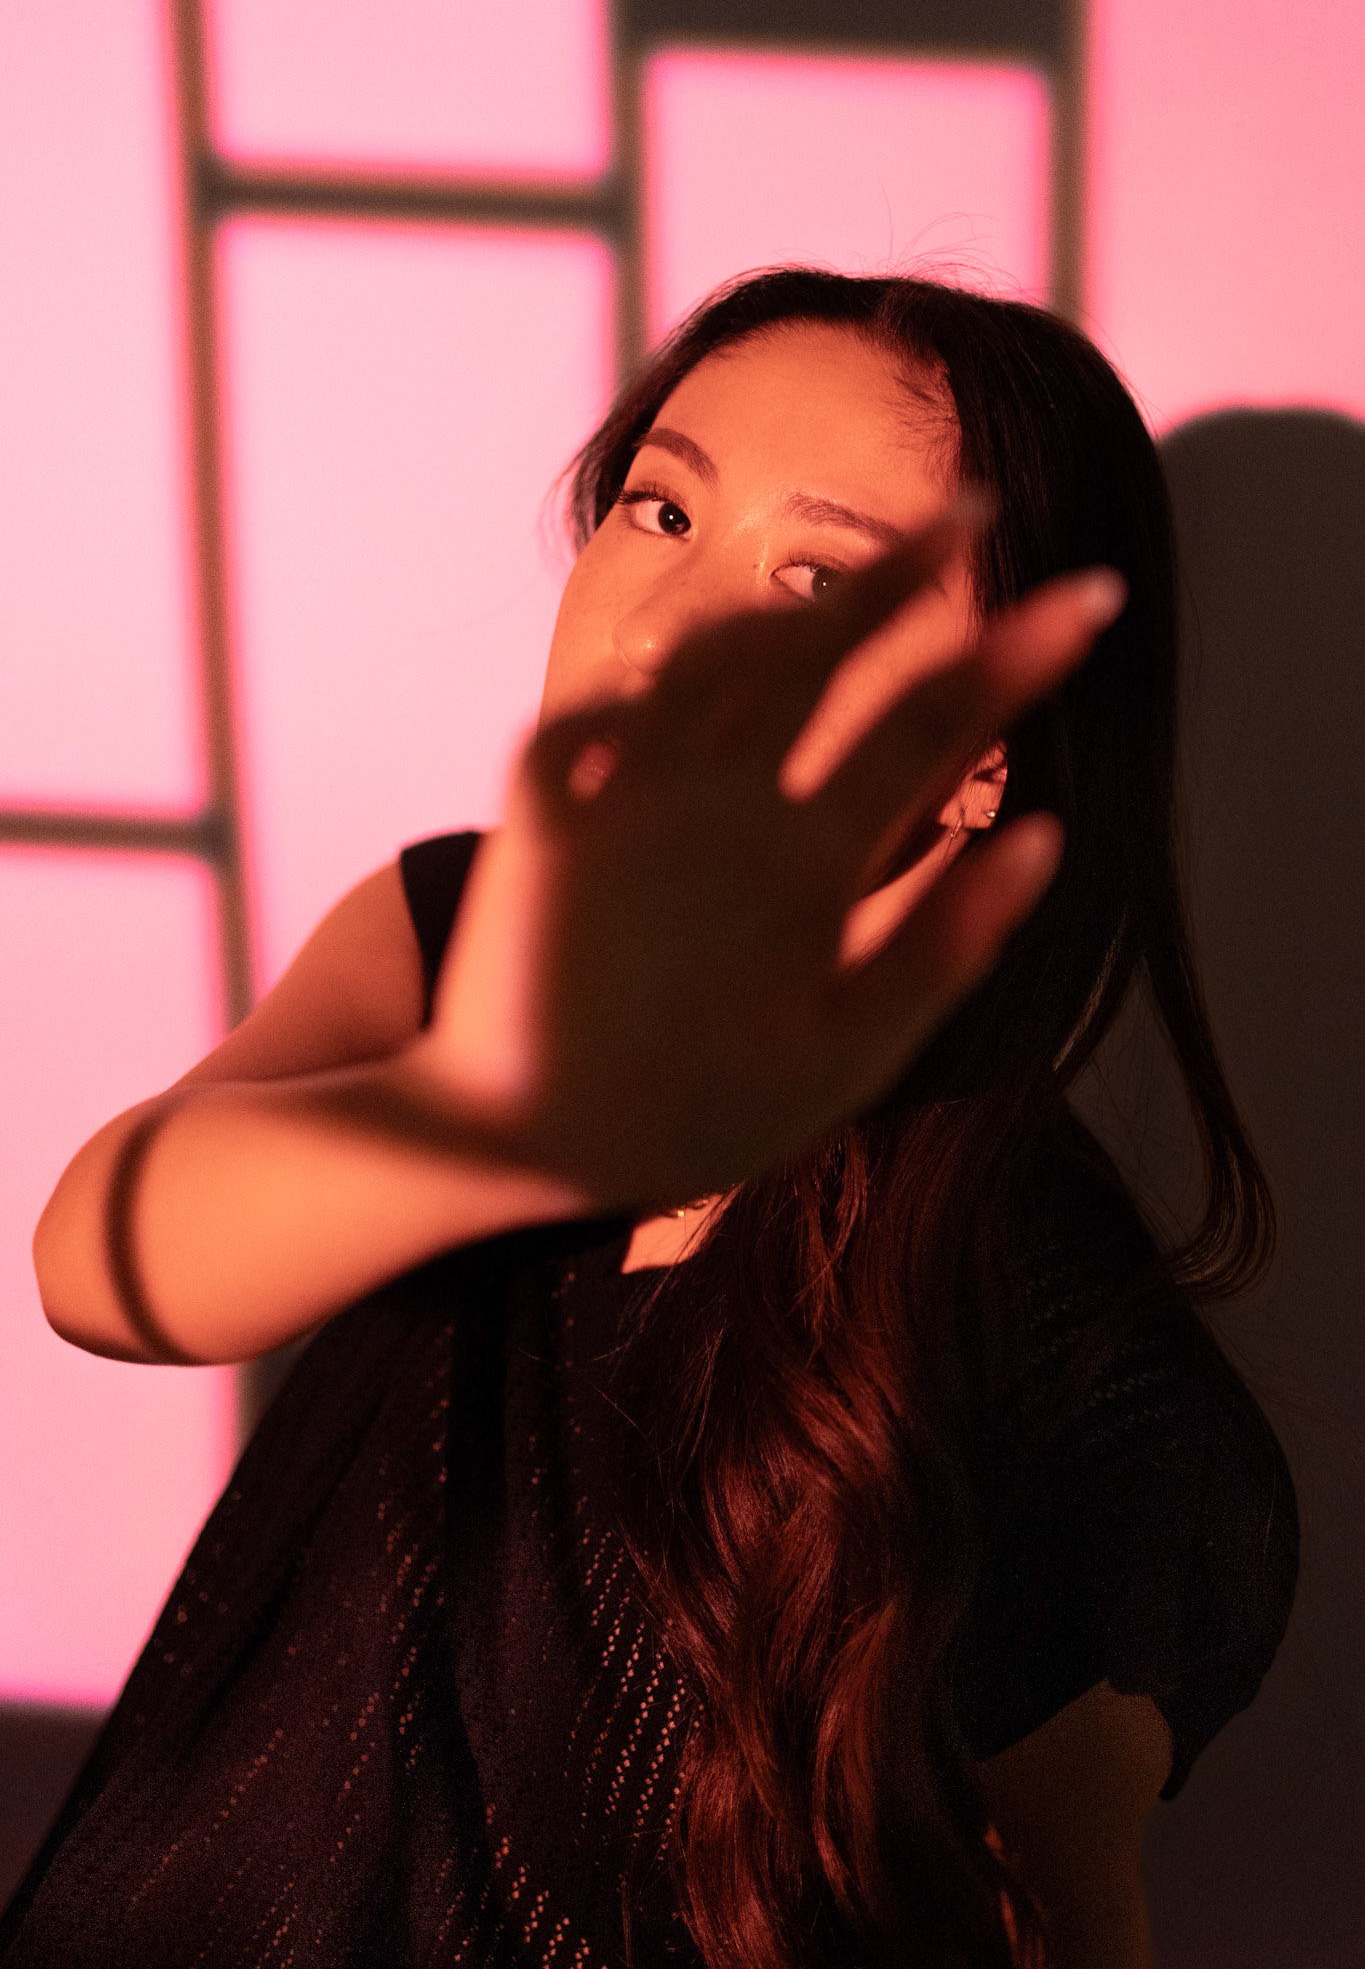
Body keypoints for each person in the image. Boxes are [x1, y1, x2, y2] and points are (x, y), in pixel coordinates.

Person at [4, 271, 1296, 1969]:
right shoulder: (451, 934)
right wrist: (498, 1114)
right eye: (661, 509)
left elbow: (1052, 1910)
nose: (664, 623)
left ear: (985, 748)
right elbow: (99, 1268)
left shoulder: (1067, 1356)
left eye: (815, 577)